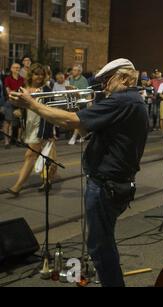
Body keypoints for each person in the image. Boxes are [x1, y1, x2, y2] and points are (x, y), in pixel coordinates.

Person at [9, 58, 149, 287]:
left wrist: (32, 104)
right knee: (102, 242)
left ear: (125, 78)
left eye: (107, 80)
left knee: (99, 246)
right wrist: (75, 110)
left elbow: (69, 121)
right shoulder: (133, 101)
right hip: (114, 183)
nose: (103, 86)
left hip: (106, 185)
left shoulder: (122, 100)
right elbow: (86, 130)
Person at [4, 63, 56, 196]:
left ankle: (17, 187)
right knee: (44, 155)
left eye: (41, 74)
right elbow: (18, 104)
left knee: (30, 155)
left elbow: (53, 111)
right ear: (31, 75)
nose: (39, 77)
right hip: (29, 125)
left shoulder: (47, 90)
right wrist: (17, 109)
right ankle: (48, 180)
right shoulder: (25, 88)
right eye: (36, 74)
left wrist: (51, 130)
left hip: (42, 126)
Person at [3, 63, 25, 149]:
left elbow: (24, 90)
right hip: (10, 101)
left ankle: (18, 140)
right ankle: (6, 141)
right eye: (15, 67)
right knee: (7, 121)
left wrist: (16, 92)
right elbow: (9, 92)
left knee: (20, 122)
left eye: (18, 68)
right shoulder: (7, 79)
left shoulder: (22, 79)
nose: (17, 69)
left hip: (20, 102)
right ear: (11, 69)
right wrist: (17, 92)